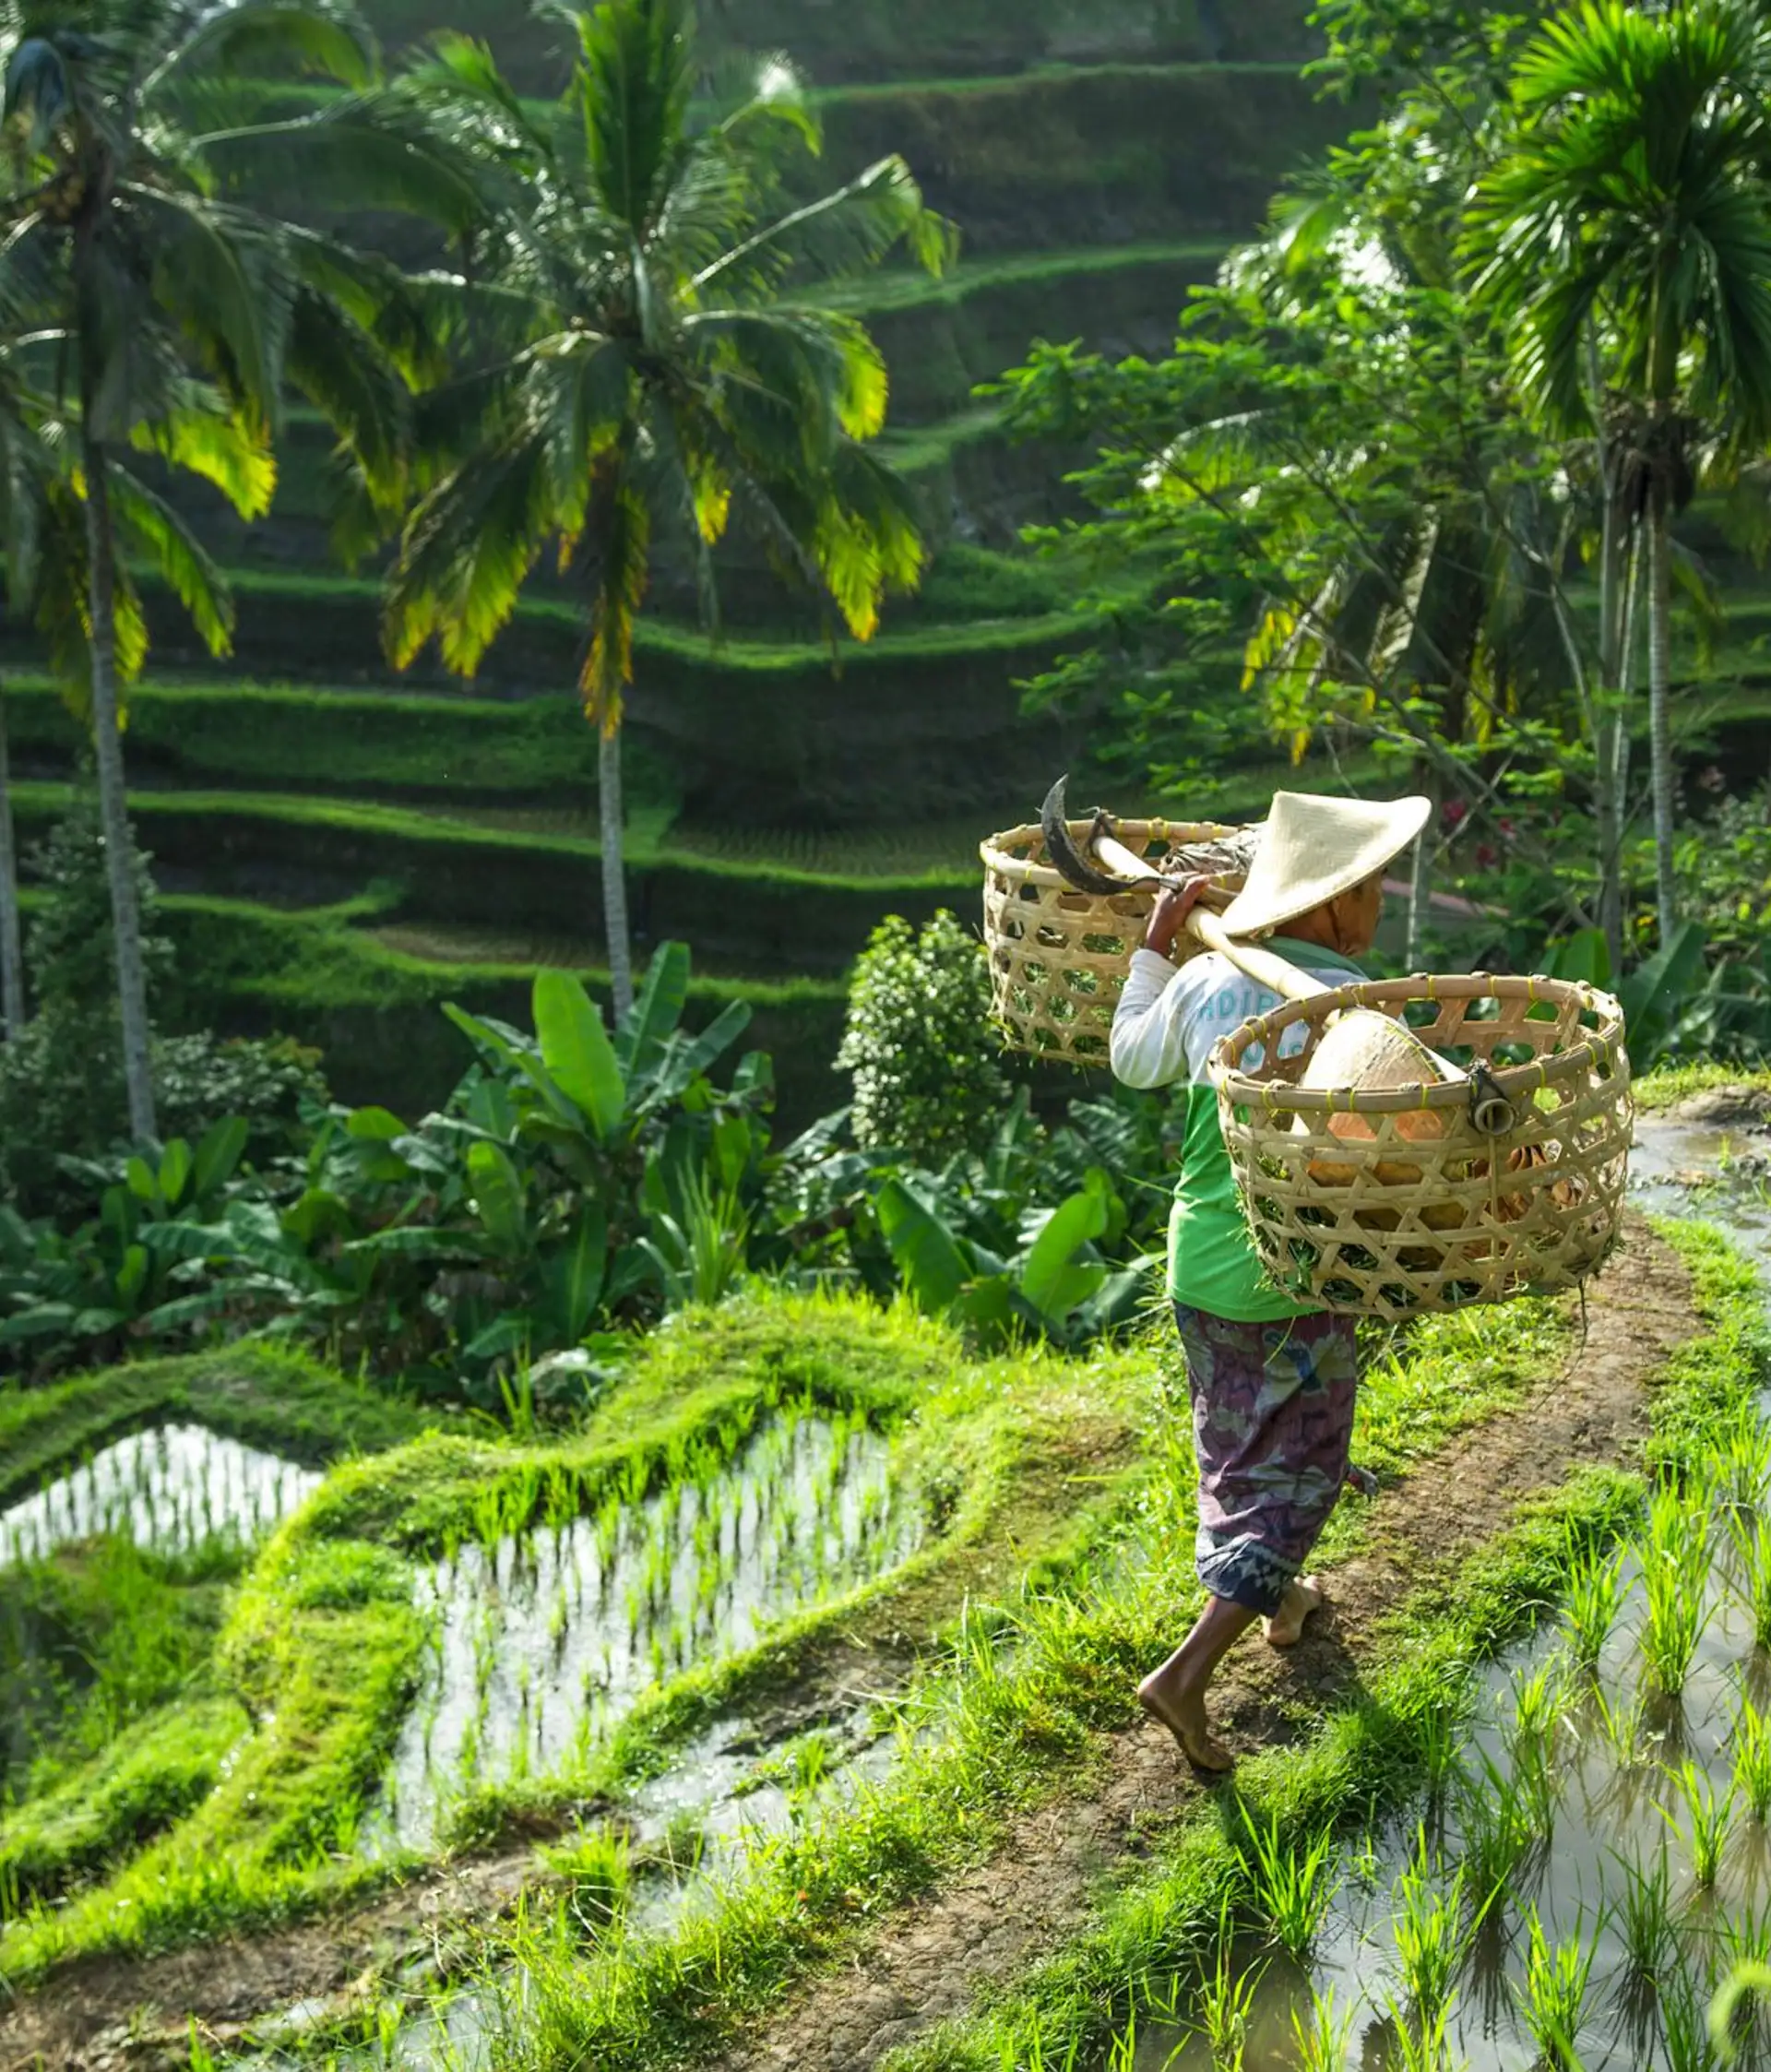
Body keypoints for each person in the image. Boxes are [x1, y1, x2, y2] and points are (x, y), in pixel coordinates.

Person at [1111, 789, 1432, 1772]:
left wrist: (1156, 949)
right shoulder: (1358, 1011)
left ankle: (1284, 1601)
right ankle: (1185, 1674)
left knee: (1235, 1448)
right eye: (1372, 886)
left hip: (1199, 1263)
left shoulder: (1207, 979)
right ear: (1332, 904)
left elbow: (1130, 1059)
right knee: (1302, 1474)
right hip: (1292, 1278)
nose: (1380, 902)